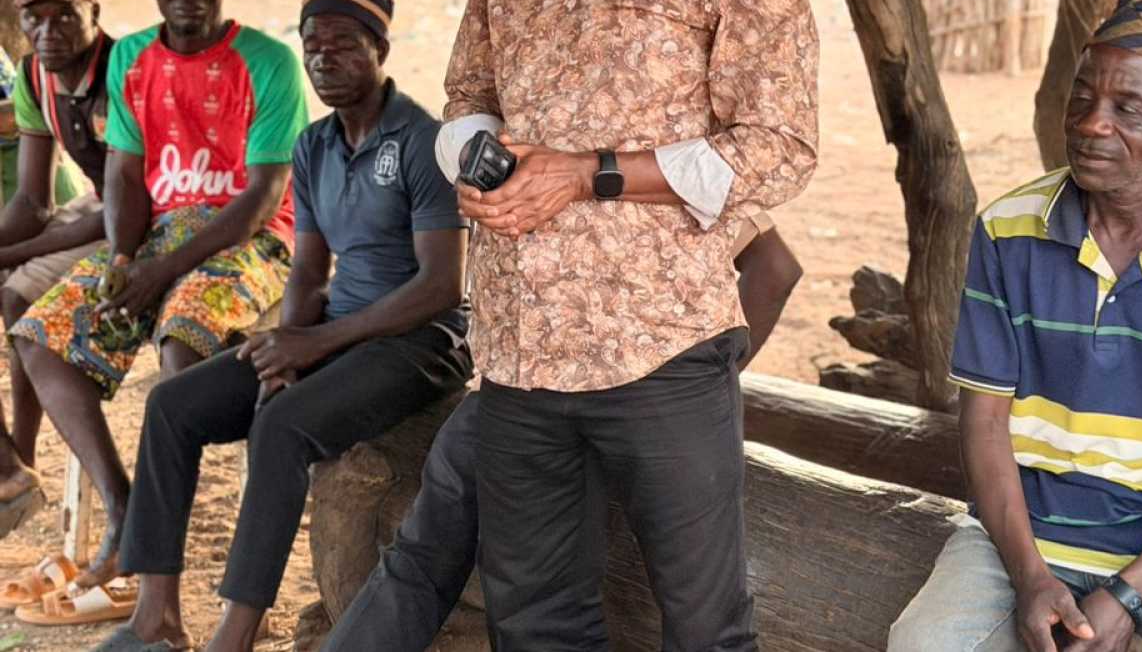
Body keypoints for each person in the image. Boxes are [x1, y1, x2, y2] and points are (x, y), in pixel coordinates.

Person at [437, 0, 819, 646]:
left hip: (661, 353)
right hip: (519, 350)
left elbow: (778, 149)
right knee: (535, 623)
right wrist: (481, 155)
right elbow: (467, 93)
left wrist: (587, 172)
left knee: (702, 627)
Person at [90, 0, 472, 652]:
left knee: (283, 429)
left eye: (345, 44)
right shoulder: (315, 145)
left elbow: (442, 286)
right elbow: (306, 268)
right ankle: (155, 616)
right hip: (338, 332)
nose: (325, 58)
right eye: (313, 45)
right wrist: (288, 344)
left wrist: (316, 343)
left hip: (420, 340)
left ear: (380, 48)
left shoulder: (421, 141)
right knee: (172, 406)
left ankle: (235, 634)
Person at [889, 0, 1142, 652]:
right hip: (1025, 536)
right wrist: (1031, 577)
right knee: (924, 644)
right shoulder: (1010, 229)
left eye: (1128, 109)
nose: (1092, 124)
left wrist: (1126, 597)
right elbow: (986, 420)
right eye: (1081, 97)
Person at [322, 214, 802, 651]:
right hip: (569, 397)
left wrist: (675, 401)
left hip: (532, 395)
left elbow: (774, 268)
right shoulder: (653, 147)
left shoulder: (644, 145)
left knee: (425, 566)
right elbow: (775, 268)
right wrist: (676, 403)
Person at [7, 0, 308, 608]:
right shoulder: (133, 58)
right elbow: (124, 175)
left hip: (249, 236)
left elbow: (263, 196)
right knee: (39, 339)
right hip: (157, 234)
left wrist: (159, 274)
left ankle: (160, 573)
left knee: (180, 347)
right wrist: (121, 258)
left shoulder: (267, 61)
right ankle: (125, 508)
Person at [0, 0, 108, 535]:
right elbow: (32, 203)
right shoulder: (33, 75)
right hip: (95, 205)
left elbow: (124, 209)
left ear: (94, 14)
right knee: (13, 291)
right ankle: (14, 465)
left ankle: (14, 459)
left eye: (63, 14)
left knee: (19, 292)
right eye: (33, 18)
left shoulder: (123, 74)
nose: (47, 30)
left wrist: (8, 255)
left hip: (157, 213)